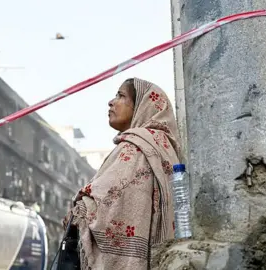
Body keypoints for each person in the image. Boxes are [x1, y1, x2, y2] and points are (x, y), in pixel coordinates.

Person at [64, 78, 180, 269]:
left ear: (142, 106)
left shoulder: (136, 147)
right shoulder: (163, 146)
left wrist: (79, 209)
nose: (111, 101)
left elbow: (102, 201)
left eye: (121, 95)